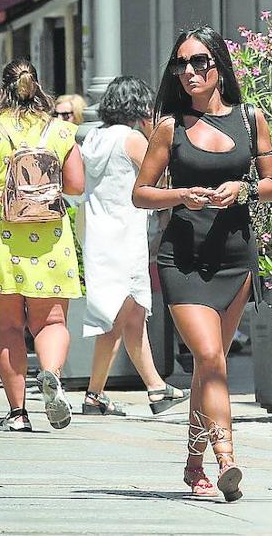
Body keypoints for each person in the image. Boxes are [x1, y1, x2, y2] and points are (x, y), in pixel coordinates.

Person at [132, 26, 272, 502]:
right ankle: (227, 459)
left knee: (205, 367)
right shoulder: (169, 127)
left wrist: (244, 189)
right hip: (183, 256)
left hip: (235, 256)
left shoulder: (251, 119)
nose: (189, 71)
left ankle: (193, 463)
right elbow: (141, 193)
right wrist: (181, 195)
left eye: (199, 62)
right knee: (211, 356)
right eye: (181, 64)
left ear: (219, 65)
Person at [0, 59, 84, 433]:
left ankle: (18, 413)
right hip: (50, 234)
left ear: (2, 88)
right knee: (52, 321)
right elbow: (75, 185)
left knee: (7, 327)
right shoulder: (61, 131)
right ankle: (51, 373)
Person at [76, 76, 188, 417]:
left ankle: (104, 394)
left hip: (98, 233)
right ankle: (153, 389)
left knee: (126, 314)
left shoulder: (93, 138)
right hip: (126, 234)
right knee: (124, 313)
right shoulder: (132, 139)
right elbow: (161, 181)